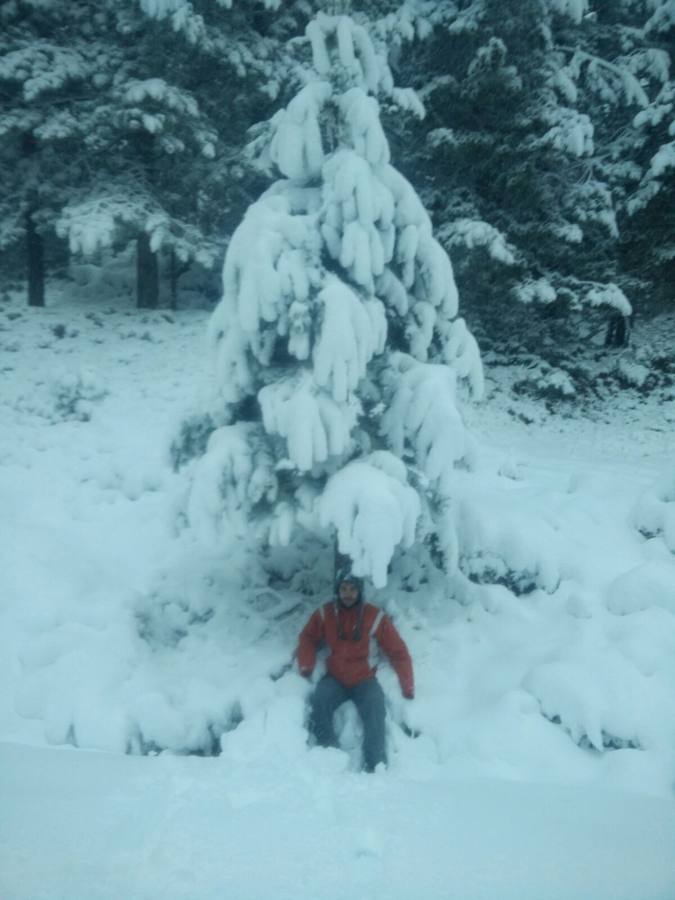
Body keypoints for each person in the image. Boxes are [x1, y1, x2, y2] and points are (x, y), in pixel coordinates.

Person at [296, 568, 414, 772]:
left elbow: (398, 651)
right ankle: (328, 753)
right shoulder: (326, 613)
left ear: (359, 591)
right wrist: (306, 664)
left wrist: (407, 685)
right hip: (335, 679)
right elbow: (308, 636)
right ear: (338, 591)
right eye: (343, 589)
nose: (348, 593)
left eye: (352, 589)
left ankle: (375, 763)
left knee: (375, 708)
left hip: (364, 680)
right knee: (319, 700)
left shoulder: (373, 616)